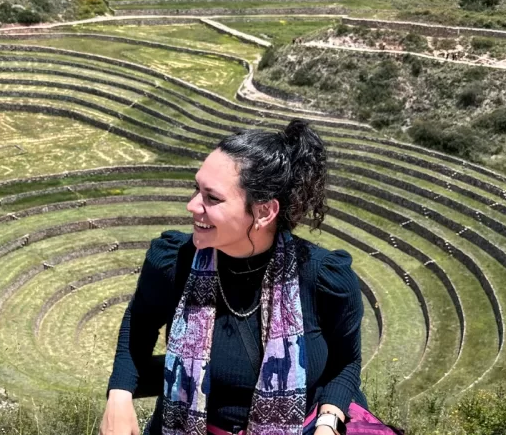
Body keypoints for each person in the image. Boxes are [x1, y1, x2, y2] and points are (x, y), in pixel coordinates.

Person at [101, 119, 366, 435]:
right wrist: (119, 393)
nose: (192, 205)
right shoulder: (173, 261)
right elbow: (140, 323)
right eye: (196, 189)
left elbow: (346, 363)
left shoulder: (324, 279)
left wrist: (328, 422)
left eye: (212, 198)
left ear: (264, 212)